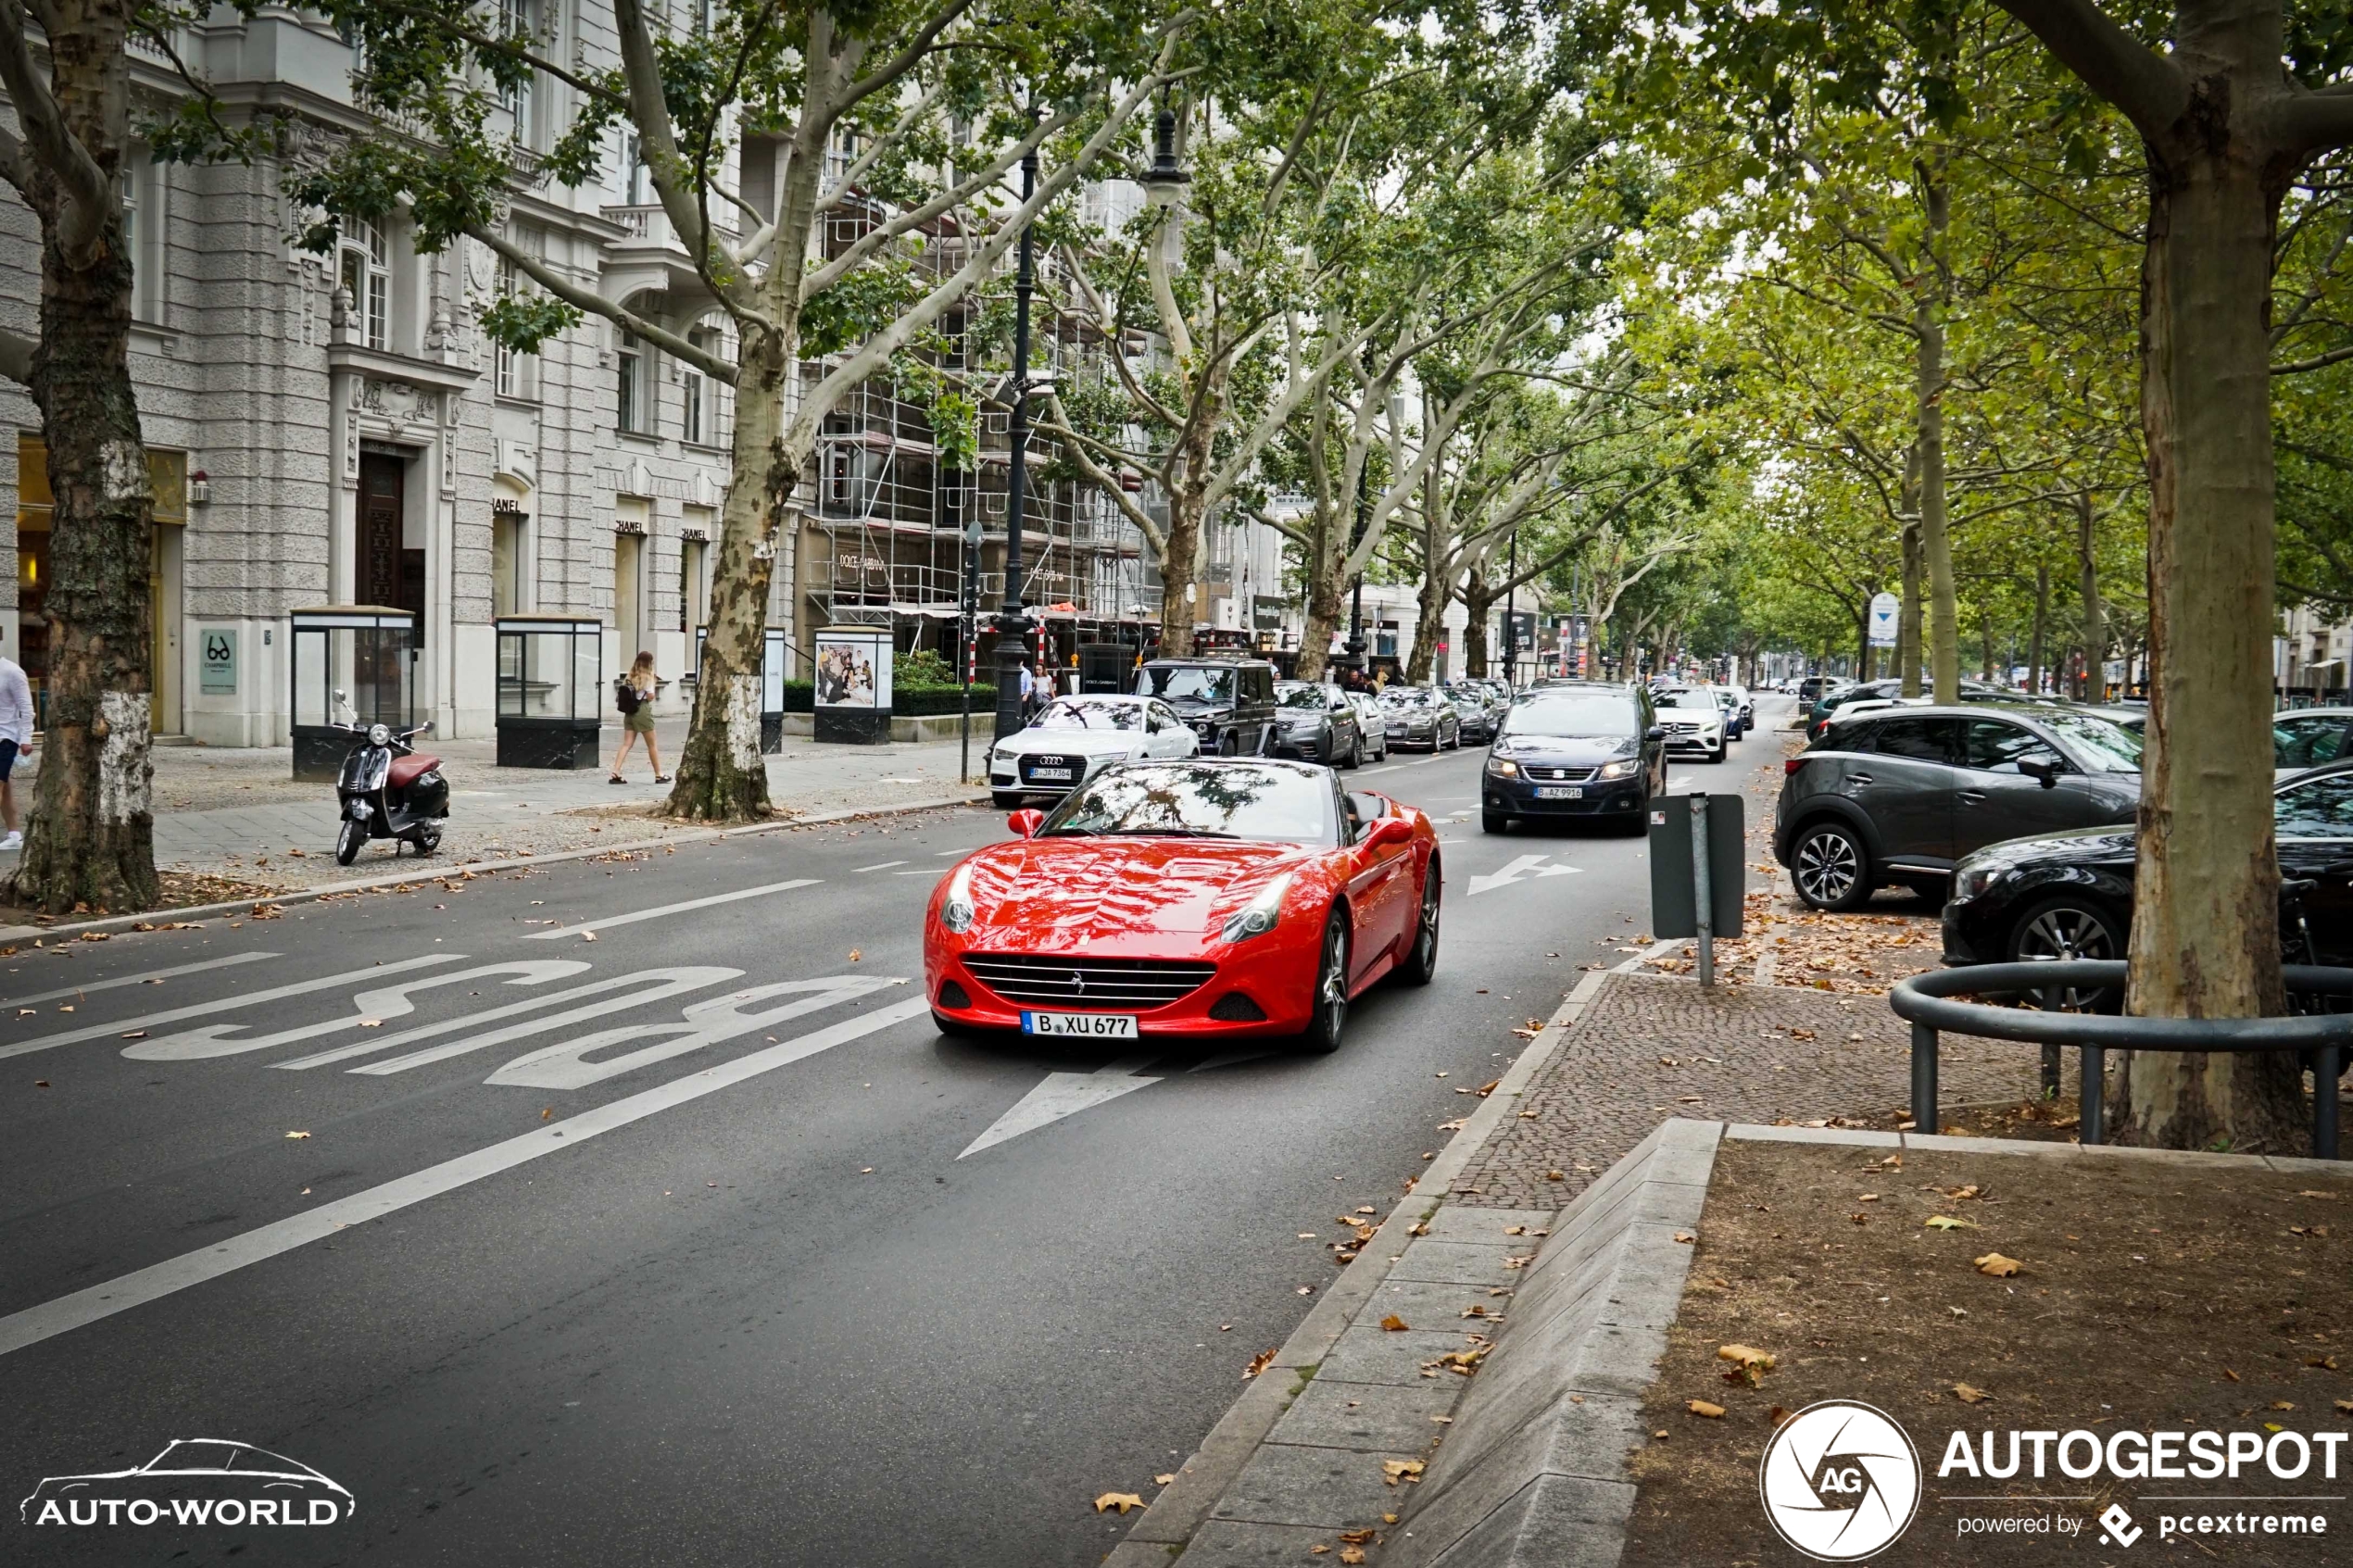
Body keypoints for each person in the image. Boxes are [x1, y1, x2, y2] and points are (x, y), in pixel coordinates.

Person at [610, 650, 668, 784]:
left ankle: (616, 771)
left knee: (627, 743)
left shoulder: (630, 676)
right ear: (650, 663)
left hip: (629, 711)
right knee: (652, 744)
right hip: (642, 710)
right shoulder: (648, 678)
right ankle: (659, 774)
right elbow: (650, 697)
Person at [0, 630, 31, 851]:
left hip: (5, 737)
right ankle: (14, 834)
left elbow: (26, 708)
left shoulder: (11, 671)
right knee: (5, 786)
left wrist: (26, 738)